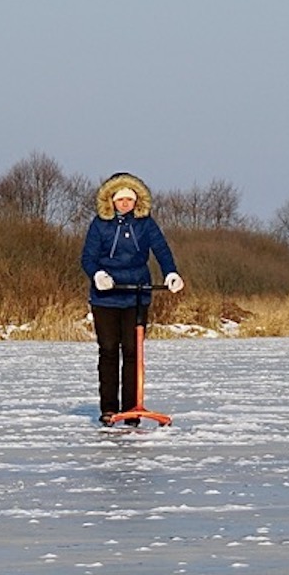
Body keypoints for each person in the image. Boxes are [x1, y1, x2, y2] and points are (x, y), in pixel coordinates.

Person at [81, 172, 184, 426]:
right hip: (106, 297)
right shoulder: (99, 224)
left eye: (130, 199)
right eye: (121, 199)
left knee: (132, 351)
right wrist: (98, 275)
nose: (126, 204)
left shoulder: (145, 224)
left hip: (137, 294)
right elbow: (88, 258)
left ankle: (132, 408)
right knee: (108, 350)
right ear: (111, 201)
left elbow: (161, 249)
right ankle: (108, 409)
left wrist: (171, 272)